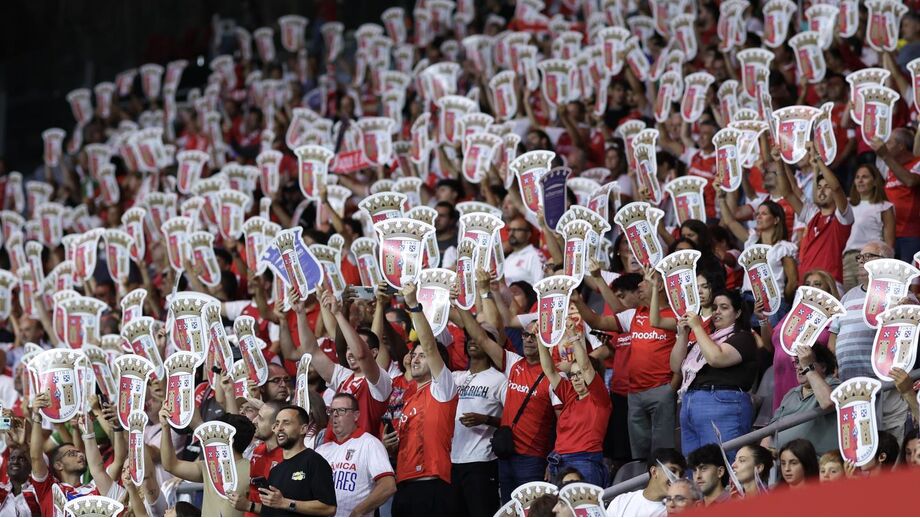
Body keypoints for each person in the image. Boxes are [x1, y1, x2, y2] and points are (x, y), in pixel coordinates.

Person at [458, 310, 558, 503]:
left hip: (533, 459)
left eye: (535, 336)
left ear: (547, 341)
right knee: (509, 510)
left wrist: (553, 459)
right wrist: (462, 306)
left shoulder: (554, 376)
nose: (528, 340)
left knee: (532, 512)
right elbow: (481, 338)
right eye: (526, 335)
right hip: (506, 454)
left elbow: (563, 421)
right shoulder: (513, 363)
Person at [829, 240, 911, 443]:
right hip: (853, 389)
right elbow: (833, 340)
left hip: (887, 388)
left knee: (890, 447)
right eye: (859, 257)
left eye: (868, 256)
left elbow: (911, 320)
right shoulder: (847, 297)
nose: (861, 261)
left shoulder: (900, 294)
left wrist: (903, 308)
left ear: (886, 262)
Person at [392, 281, 459, 516]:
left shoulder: (443, 387)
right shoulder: (408, 399)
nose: (417, 358)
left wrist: (412, 306)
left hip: (432, 486)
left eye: (423, 356)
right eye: (414, 354)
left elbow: (430, 347)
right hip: (404, 486)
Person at [296, 288, 393, 439]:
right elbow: (311, 351)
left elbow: (361, 354)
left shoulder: (380, 380)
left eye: (353, 346)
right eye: (347, 348)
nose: (350, 352)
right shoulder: (344, 376)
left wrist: (337, 313)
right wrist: (300, 312)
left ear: (373, 353)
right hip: (333, 450)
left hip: (359, 452)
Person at [672, 291, 758, 457]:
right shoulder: (705, 340)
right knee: (695, 470)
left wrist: (697, 327)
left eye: (724, 307)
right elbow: (676, 366)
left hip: (722, 404)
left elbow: (717, 358)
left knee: (725, 465)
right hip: (689, 404)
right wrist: (683, 334)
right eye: (714, 308)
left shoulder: (743, 337)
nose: (716, 311)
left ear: (738, 313)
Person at [538, 324, 611, 487]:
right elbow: (549, 370)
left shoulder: (600, 399)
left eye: (579, 374)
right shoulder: (570, 394)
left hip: (585, 461)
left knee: (583, 510)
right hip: (559, 462)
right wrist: (540, 337)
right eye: (572, 374)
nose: (575, 378)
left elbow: (586, 366)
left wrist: (573, 337)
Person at [30, 392, 126, 516]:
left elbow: (111, 465)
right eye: (71, 453)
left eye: (80, 453)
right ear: (59, 465)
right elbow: (36, 457)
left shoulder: (95, 489)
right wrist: (37, 416)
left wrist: (116, 428)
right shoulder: (49, 490)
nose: (80, 455)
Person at [759, 269, 839, 413]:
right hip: (782, 378)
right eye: (807, 284)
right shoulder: (791, 315)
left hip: (808, 380)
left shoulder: (833, 319)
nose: (811, 288)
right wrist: (763, 319)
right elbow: (770, 346)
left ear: (828, 289)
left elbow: (833, 355)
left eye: (817, 284)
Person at [450, 328, 506, 516]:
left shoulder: (499, 379)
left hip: (483, 460)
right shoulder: (456, 377)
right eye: (469, 339)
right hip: (454, 460)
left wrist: (486, 419)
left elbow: (513, 420)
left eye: (479, 339)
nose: (472, 341)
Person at [160, 409, 253, 517]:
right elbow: (171, 466)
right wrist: (165, 427)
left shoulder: (252, 470)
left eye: (216, 432)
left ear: (228, 438)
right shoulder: (209, 466)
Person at [315, 393, 396, 517]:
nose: (335, 415)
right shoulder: (321, 451)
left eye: (341, 410)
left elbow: (388, 486)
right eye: (332, 411)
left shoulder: (370, 444)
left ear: (356, 415)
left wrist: (358, 512)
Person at [783, 150, 853, 285]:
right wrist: (780, 160)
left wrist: (818, 159)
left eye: (827, 187)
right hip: (805, 284)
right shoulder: (812, 215)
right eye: (819, 186)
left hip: (829, 285)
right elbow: (788, 193)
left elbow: (837, 188)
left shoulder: (843, 217)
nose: (821, 190)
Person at [763, 343, 840, 455]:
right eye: (797, 362)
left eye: (805, 362)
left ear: (823, 367)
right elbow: (770, 432)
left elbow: (827, 402)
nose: (799, 367)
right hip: (782, 462)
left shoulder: (835, 387)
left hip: (817, 464)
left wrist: (808, 368)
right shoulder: (791, 394)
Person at [259, 405, 336, 516]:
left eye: (286, 423)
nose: (279, 428)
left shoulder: (315, 462)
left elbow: (329, 508)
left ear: (303, 429)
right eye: (277, 423)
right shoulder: (275, 471)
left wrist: (284, 503)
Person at [841, 164, 895, 291]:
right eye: (857, 177)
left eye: (865, 177)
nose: (860, 180)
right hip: (848, 259)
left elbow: (889, 243)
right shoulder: (847, 204)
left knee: (869, 297)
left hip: (872, 259)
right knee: (850, 300)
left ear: (875, 182)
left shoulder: (885, 206)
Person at [229, 401, 284, 515]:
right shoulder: (257, 450)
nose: (254, 421)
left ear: (275, 426)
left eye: (261, 418)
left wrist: (250, 506)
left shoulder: (287, 458)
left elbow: (285, 508)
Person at [605, 449, 686, 517]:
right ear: (654, 471)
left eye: (681, 475)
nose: (677, 478)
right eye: (673, 471)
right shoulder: (621, 501)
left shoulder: (678, 511)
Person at [503, 217, 545, 286]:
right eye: (510, 229)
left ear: (528, 234)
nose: (512, 233)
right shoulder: (508, 258)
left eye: (517, 230)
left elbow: (539, 285)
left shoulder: (535, 255)